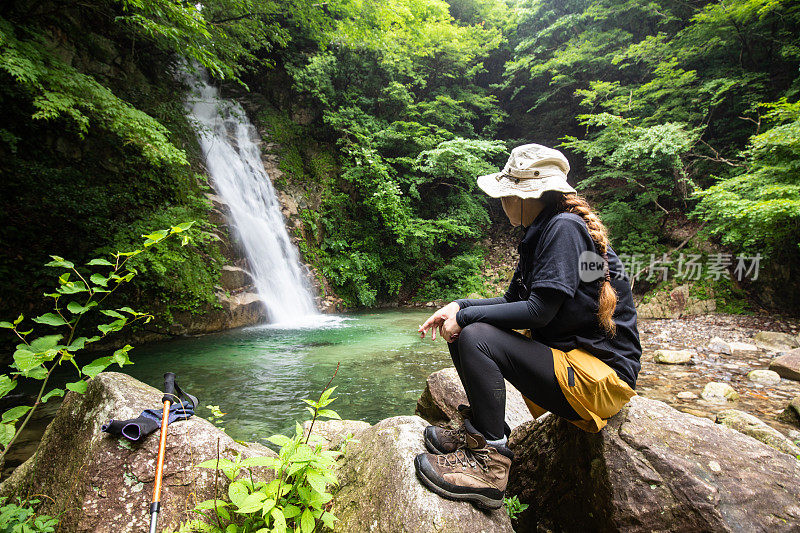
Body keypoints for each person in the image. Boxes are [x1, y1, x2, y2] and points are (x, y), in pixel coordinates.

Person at [413, 144, 642, 510]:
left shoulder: (564, 229)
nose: (502, 203)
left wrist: (468, 317)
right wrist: (458, 307)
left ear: (527, 196)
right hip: (575, 364)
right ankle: (480, 438)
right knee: (464, 326)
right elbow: (509, 302)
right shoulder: (547, 228)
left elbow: (538, 313)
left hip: (600, 379)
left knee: (474, 334)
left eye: (506, 195)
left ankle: (489, 466)